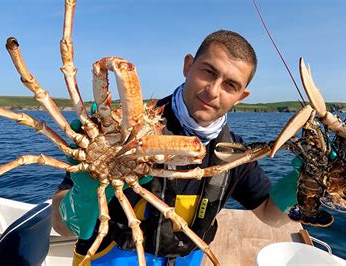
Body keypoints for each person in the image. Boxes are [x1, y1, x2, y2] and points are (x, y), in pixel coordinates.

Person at [52, 29, 300, 265]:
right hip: (108, 259)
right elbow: (60, 226)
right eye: (208, 72)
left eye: (230, 85)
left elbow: (270, 214)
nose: (213, 91)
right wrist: (84, 196)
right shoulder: (118, 128)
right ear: (188, 66)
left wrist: (303, 183)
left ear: (241, 96)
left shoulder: (232, 152)